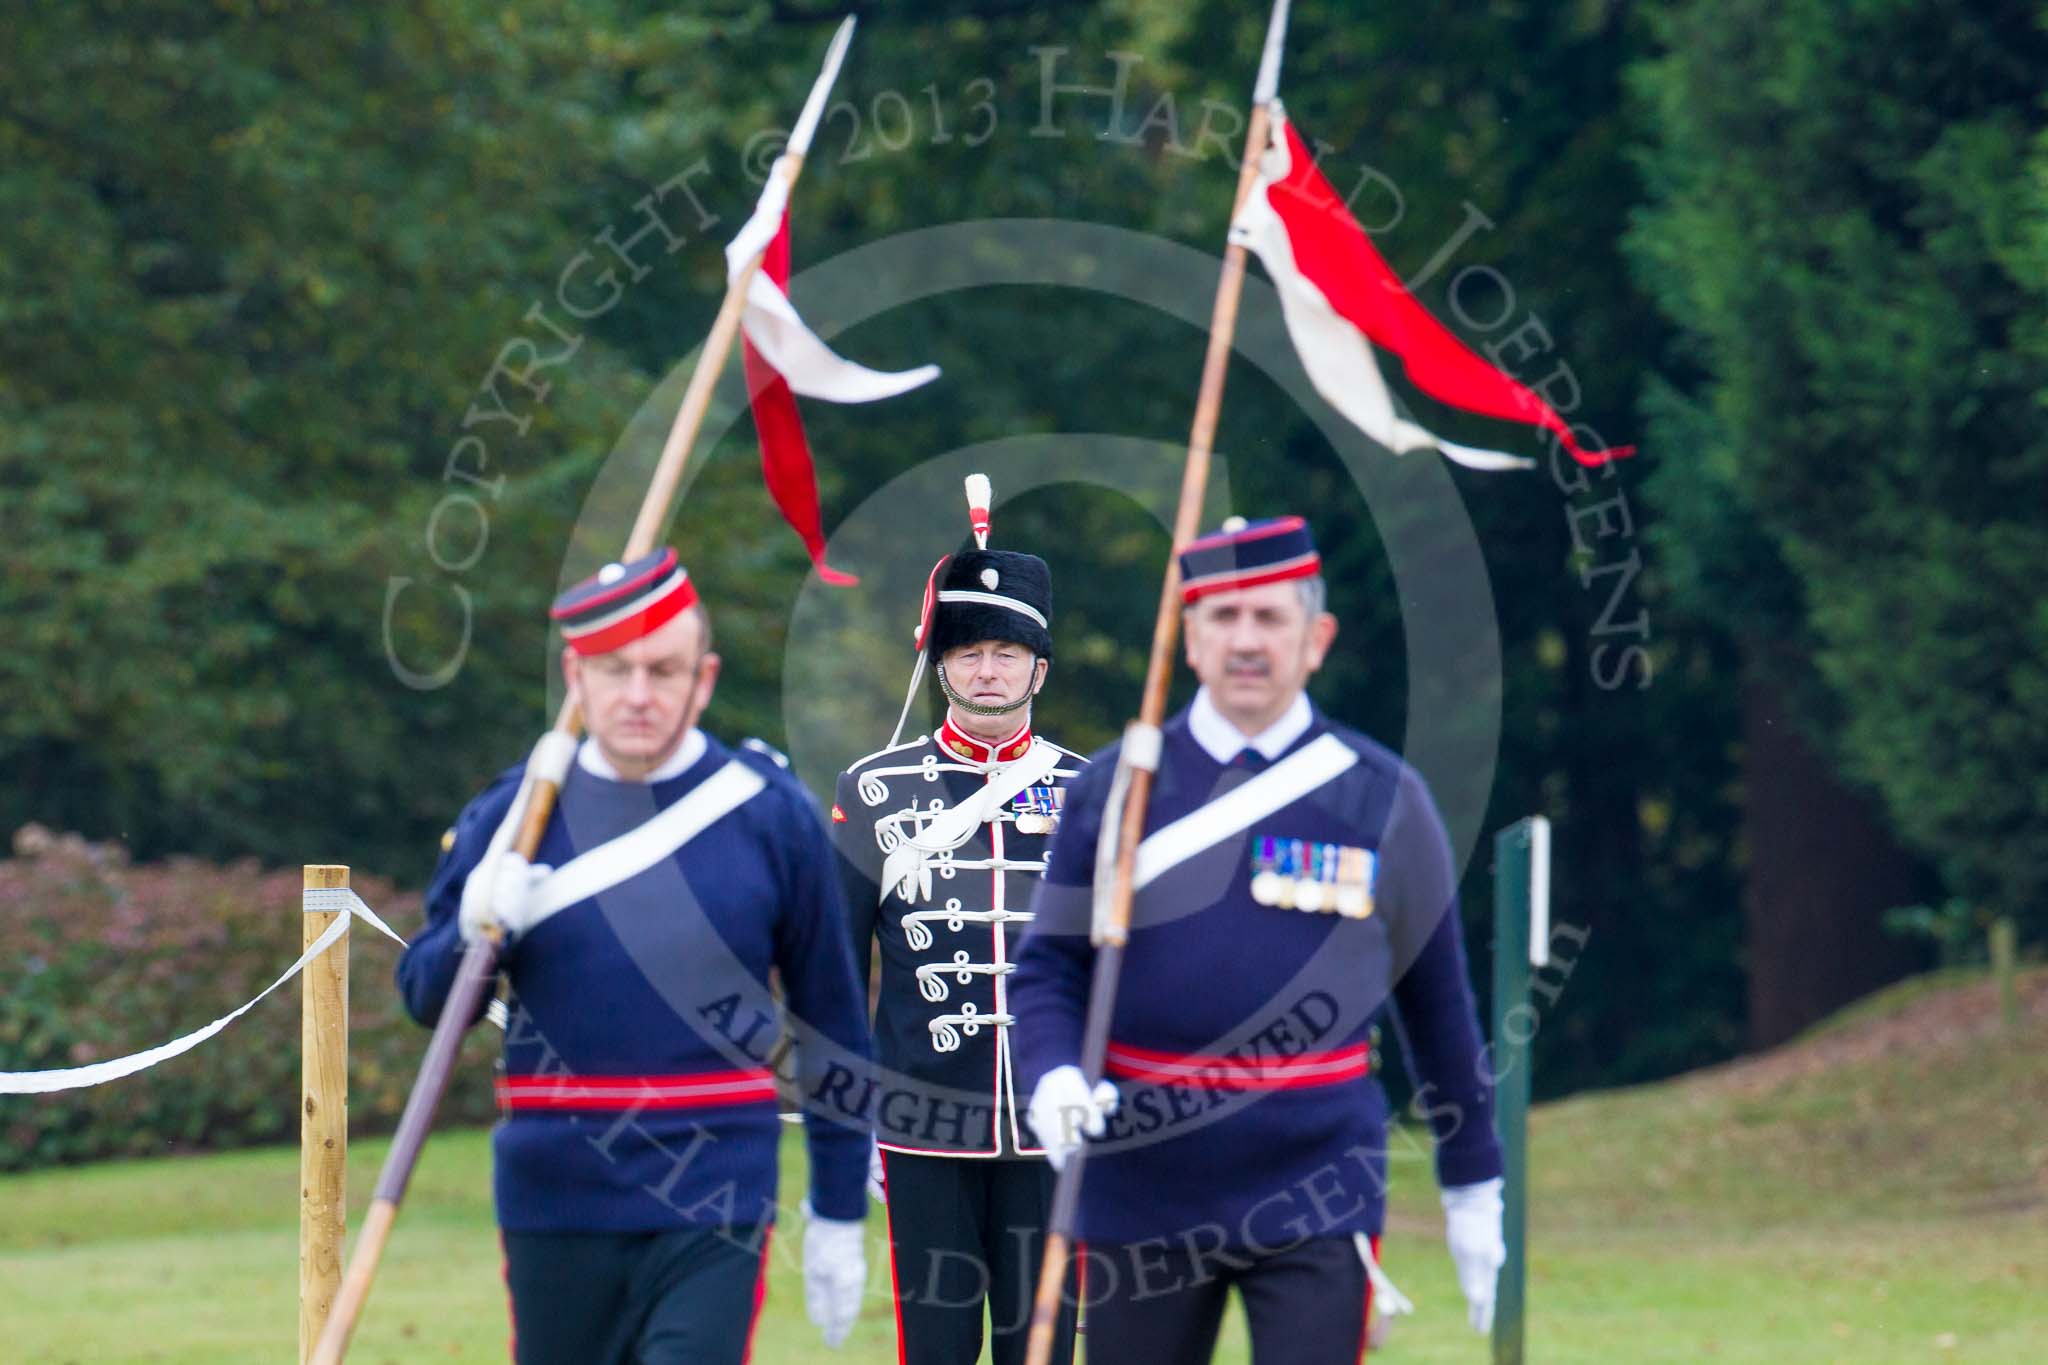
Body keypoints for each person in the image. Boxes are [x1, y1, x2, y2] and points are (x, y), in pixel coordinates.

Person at [1009, 515, 1507, 1364]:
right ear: (1190, 638)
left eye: (1269, 618)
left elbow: (1438, 1002)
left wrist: (1473, 1181)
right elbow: (1048, 969)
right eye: (1224, 617)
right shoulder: (1113, 790)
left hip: (1316, 1176)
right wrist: (1051, 1074)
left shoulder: (1384, 795)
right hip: (1143, 1173)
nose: (1247, 641)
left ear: (1316, 639)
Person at [397, 547, 873, 1365]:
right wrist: (477, 928)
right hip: (556, 1194)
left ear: (706, 678)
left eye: (665, 668)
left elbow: (831, 1016)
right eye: (616, 670)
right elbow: (427, 999)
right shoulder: (514, 814)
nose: (640, 695)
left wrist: (836, 1210)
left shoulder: (769, 815)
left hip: (716, 1189)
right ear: (577, 679)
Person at [832, 478, 1086, 1365]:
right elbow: (834, 960)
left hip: (1053, 1121)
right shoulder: (871, 790)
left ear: (1038, 668)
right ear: (938, 662)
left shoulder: (1094, 790)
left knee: (1042, 1350)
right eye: (969, 650)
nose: (987, 670)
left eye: (1006, 653)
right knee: (936, 1349)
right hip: (921, 1122)